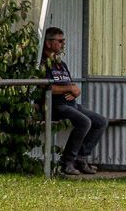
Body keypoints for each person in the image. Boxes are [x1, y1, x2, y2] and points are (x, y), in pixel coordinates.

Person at [43, 27, 109, 176]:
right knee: (84, 122)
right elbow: (46, 87)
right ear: (48, 43)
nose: (63, 44)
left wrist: (75, 90)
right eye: (60, 41)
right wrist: (69, 89)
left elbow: (72, 86)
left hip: (71, 105)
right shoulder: (43, 64)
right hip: (56, 106)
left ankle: (81, 158)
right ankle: (66, 162)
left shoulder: (61, 64)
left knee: (101, 121)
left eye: (64, 41)